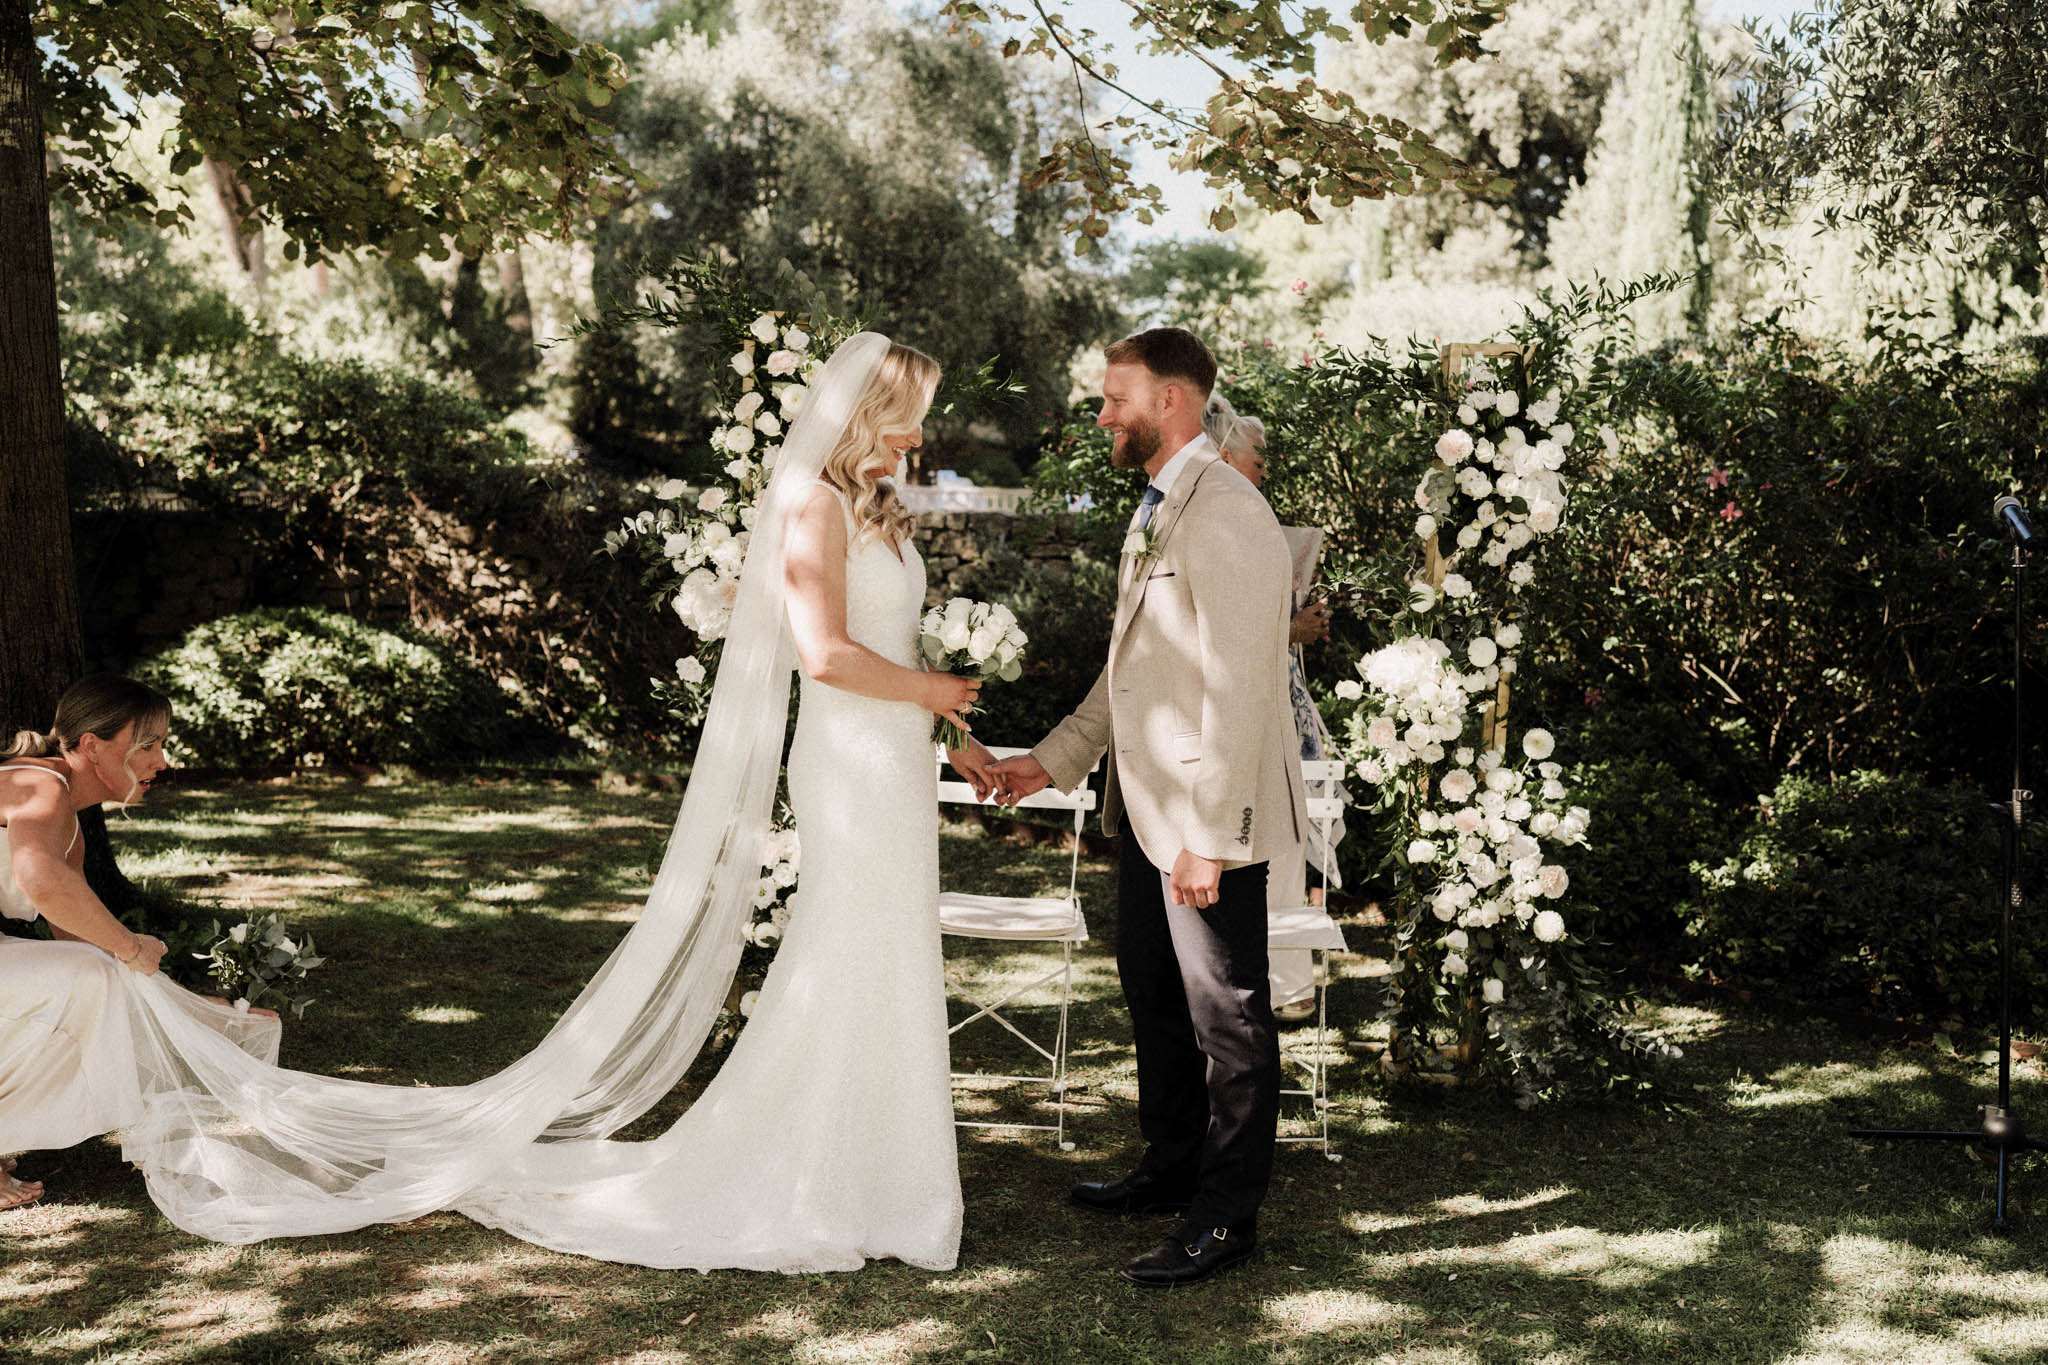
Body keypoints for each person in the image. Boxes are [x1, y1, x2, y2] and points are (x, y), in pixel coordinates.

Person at [79, 333, 1002, 1275]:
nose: (919, 434)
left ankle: (880, 1169)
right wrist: (931, 692)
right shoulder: (812, 504)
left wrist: (955, 733)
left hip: (895, 761)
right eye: (911, 415)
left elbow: (898, 648)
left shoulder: (880, 507)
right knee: (848, 944)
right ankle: (822, 1173)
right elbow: (827, 654)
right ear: (871, 412)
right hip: (849, 764)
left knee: (889, 946)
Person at [990, 327, 1306, 1288]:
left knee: (1228, 1020)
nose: (1102, 415)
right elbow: (1130, 666)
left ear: (1170, 399)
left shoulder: (1230, 512)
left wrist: (1209, 837)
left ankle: (1226, 1216)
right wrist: (1050, 761)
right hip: (1144, 810)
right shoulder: (1161, 505)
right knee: (1155, 997)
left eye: (1114, 397)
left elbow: (1239, 689)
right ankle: (1170, 1166)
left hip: (1205, 824)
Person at [0, 675, 281, 1211]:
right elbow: (41, 881)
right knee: (87, 977)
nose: (162, 761)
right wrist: (130, 946)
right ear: (91, 745)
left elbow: (82, 936)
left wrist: (201, 1011)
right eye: (147, 745)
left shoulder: (66, 822)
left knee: (90, 978)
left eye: (162, 744)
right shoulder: (41, 787)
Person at [1203, 396, 1351, 1025]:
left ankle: (1286, 984)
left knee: (1287, 844)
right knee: (1266, 844)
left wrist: (1299, 623)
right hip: (1238, 713)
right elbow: (1219, 636)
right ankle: (1263, 983)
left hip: (1279, 705)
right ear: (1225, 456)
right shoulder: (1213, 527)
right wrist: (1291, 629)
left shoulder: (1249, 522)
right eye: (1257, 460)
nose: (1264, 472)